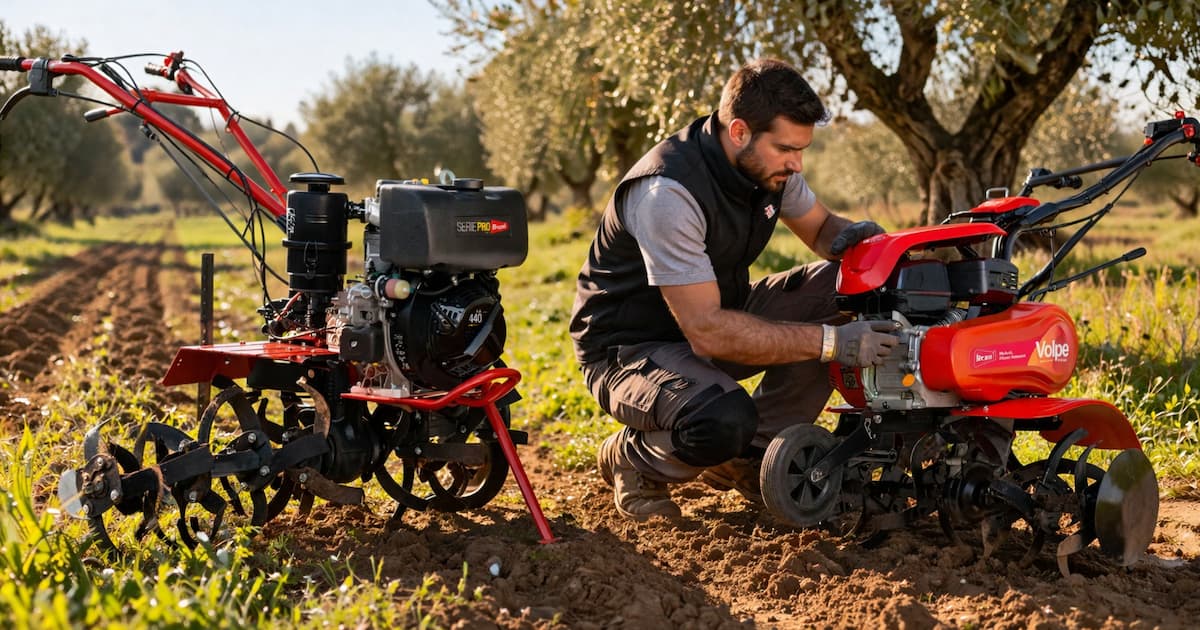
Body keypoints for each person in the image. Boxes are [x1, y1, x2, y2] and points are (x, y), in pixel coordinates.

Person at [568, 58, 901, 521]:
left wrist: (866, 245)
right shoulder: (668, 193)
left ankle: (750, 458)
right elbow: (708, 332)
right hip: (632, 348)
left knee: (847, 290)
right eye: (787, 148)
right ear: (740, 131)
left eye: (802, 150)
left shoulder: (766, 170)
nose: (797, 163)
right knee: (721, 422)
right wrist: (833, 343)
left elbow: (823, 228)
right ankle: (636, 459)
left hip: (715, 313)